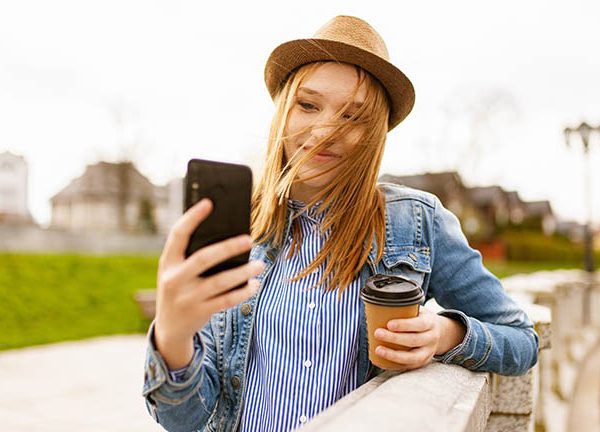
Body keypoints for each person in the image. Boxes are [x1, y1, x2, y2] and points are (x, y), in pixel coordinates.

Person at [142, 15, 539, 432]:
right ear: (283, 110)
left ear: (375, 134)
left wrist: (446, 334)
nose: (324, 130)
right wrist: (172, 336)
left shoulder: (418, 222)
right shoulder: (235, 230)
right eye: (308, 105)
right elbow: (183, 421)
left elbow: (521, 340)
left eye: (353, 116)